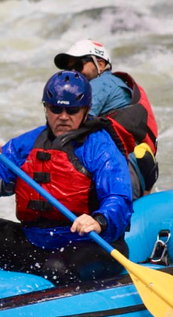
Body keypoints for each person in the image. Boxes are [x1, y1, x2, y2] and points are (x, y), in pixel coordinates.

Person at [0, 71, 133, 286]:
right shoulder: (27, 143)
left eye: (72, 110)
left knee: (55, 268)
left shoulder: (100, 147)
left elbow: (119, 197)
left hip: (91, 245)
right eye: (56, 109)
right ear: (46, 108)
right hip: (37, 242)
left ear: (86, 111)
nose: (64, 116)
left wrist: (99, 220)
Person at [54, 39, 159, 199]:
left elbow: (69, 127)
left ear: (100, 65)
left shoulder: (101, 84)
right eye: (68, 70)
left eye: (78, 66)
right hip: (129, 176)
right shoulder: (112, 84)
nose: (73, 73)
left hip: (119, 176)